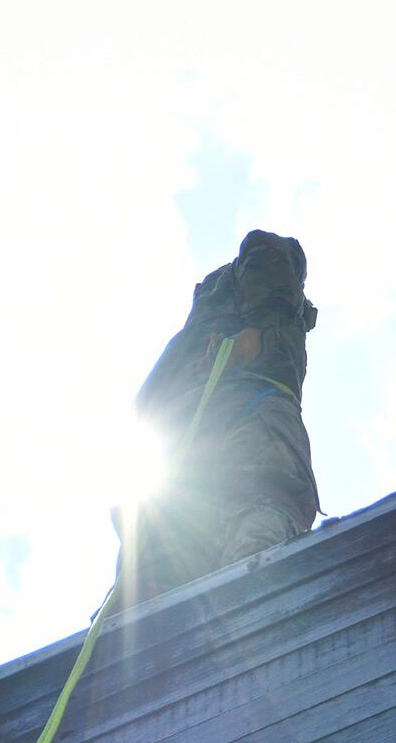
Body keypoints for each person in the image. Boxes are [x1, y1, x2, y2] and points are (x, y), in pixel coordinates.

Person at [117, 230, 319, 606]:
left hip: (244, 401)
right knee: (163, 548)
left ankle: (252, 605)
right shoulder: (207, 315)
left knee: (253, 512)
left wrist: (257, 331)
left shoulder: (258, 294)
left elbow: (269, 260)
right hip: (189, 422)